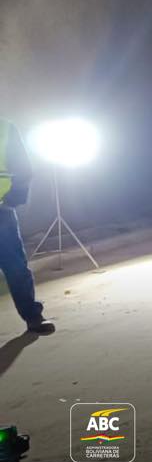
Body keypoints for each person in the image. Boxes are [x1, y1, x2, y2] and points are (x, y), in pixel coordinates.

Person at [0, 119, 52, 334]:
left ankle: (33, 317)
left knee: (15, 268)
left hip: (0, 209)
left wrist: (14, 198)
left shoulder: (4, 127)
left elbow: (22, 166)